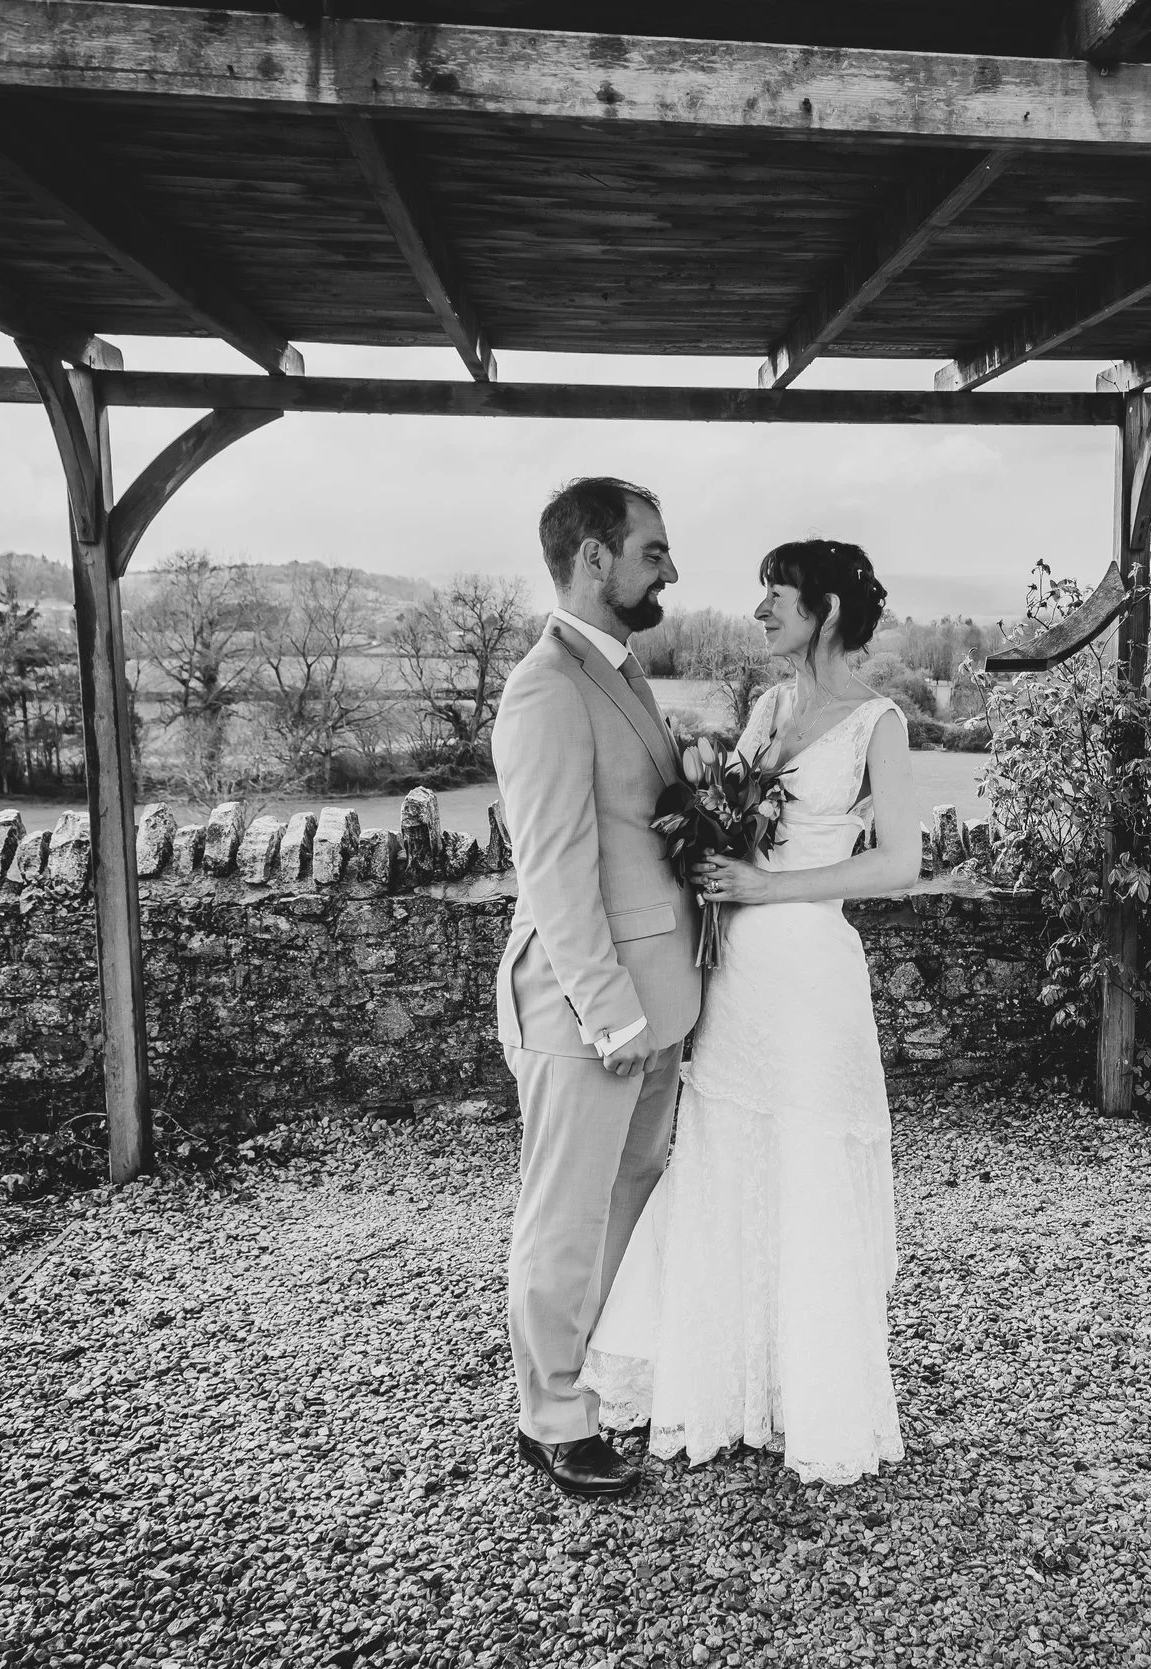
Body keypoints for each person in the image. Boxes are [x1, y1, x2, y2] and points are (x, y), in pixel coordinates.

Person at [583, 538, 922, 1486]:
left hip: (809, 974)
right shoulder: (770, 707)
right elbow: (724, 813)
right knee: (726, 1147)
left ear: (822, 609)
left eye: (775, 595)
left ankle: (816, 1392)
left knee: (805, 1153)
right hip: (735, 977)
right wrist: (706, 831)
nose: (761, 610)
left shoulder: (880, 722)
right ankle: (725, 1379)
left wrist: (766, 886)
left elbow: (898, 865)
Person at [492, 477, 699, 1500]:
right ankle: (552, 1417)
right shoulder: (544, 688)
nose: (669, 566)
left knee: (628, 1193)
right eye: (653, 549)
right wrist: (610, 1010)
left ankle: (596, 1375)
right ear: (593, 560)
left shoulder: (616, 671)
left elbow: (625, 836)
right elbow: (556, 875)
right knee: (565, 1214)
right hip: (588, 1011)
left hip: (655, 1000)